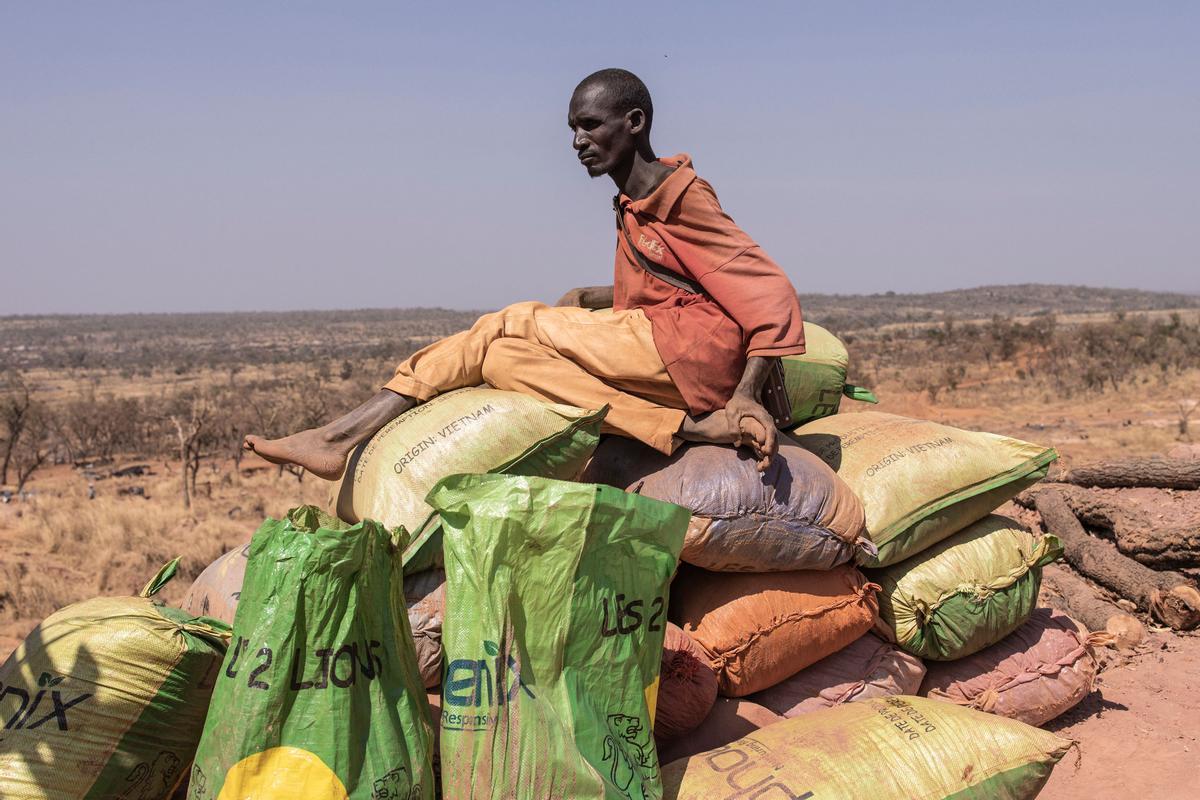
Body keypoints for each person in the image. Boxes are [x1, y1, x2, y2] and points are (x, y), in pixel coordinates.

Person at [243, 68, 805, 480]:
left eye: (590, 126)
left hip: (692, 350)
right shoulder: (633, 202)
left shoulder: (679, 195)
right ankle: (688, 431)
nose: (577, 142)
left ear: (634, 123)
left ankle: (339, 437)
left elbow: (769, 290)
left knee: (508, 321)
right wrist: (592, 296)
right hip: (672, 353)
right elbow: (675, 277)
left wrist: (747, 396)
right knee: (501, 360)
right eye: (572, 129)